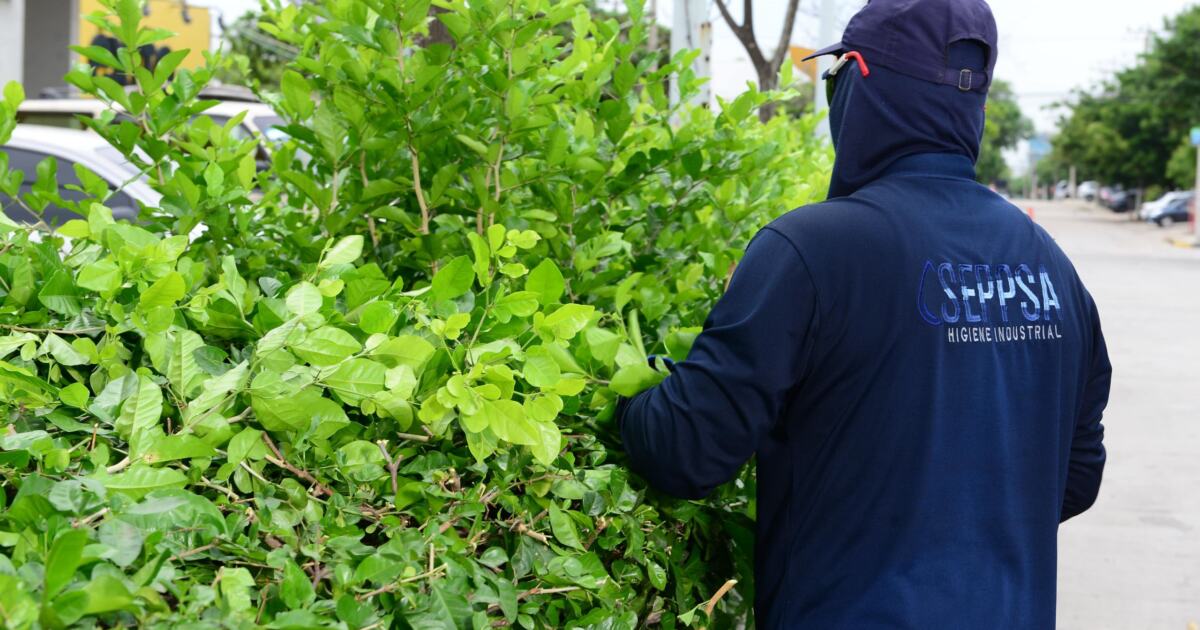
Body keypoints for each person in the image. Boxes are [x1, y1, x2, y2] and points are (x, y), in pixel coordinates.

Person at [616, 0, 1112, 627]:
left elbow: (685, 450)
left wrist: (625, 401)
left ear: (860, 82)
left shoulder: (811, 252)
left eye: (836, 77)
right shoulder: (1055, 270)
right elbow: (1074, 481)